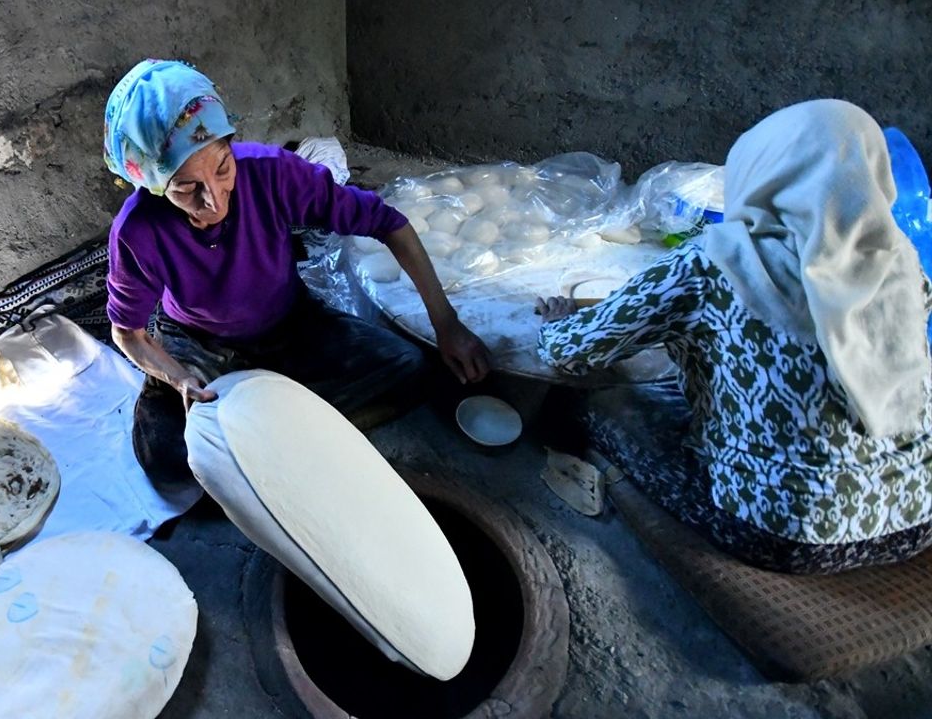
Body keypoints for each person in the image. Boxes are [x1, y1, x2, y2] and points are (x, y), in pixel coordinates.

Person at [535, 99, 932, 574]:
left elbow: (572, 351)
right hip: (919, 518)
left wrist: (558, 322)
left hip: (789, 533)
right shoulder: (900, 259)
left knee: (602, 406)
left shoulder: (718, 262)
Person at [102, 59, 490, 490]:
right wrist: (179, 378)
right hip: (197, 339)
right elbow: (128, 333)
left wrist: (446, 323)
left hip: (289, 322)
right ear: (155, 185)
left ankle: (278, 440)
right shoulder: (138, 230)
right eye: (185, 187)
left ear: (232, 145)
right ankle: (278, 430)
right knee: (168, 461)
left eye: (222, 167)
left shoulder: (273, 174)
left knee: (410, 368)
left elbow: (389, 223)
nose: (213, 200)